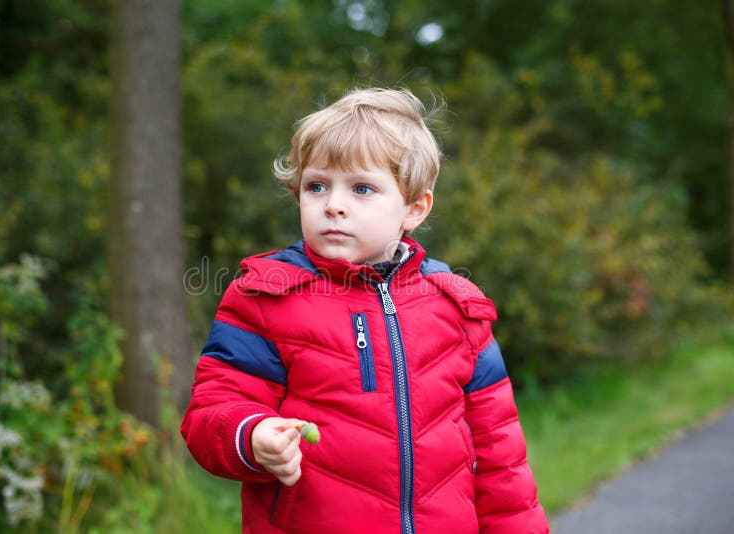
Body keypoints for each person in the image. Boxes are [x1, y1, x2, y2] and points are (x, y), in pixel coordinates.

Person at [181, 87, 549, 533]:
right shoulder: (265, 296)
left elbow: (501, 455)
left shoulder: (458, 307)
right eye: (317, 186)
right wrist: (252, 435)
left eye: (361, 188)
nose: (334, 204)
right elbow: (210, 411)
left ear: (414, 207)